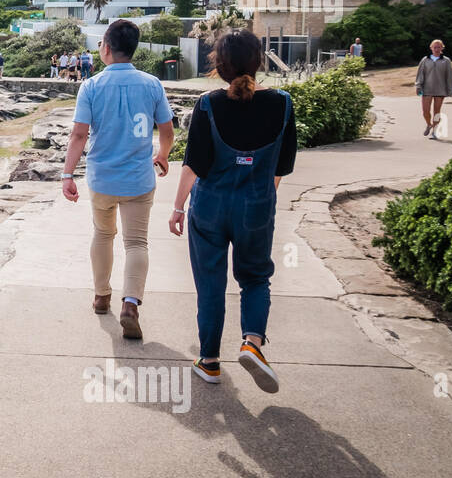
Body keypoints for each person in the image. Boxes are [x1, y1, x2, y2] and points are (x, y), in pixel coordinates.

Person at [168, 29, 298, 392]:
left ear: (219, 66)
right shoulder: (283, 103)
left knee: (210, 283)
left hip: (210, 205)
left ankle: (209, 362)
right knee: (255, 278)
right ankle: (251, 343)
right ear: (258, 61)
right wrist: (260, 201)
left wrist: (177, 207)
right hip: (255, 205)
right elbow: (281, 166)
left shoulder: (209, 103)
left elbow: (193, 164)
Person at [61, 19, 173, 339]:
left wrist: (68, 174)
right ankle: (131, 304)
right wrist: (162, 155)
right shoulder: (152, 84)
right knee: (137, 242)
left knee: (103, 234)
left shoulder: (92, 86)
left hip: (102, 179)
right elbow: (166, 131)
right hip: (138, 179)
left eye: (100, 44)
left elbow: (79, 134)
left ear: (107, 48)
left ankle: (101, 296)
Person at [415, 39, 452, 139]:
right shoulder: (425, 59)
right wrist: (418, 86)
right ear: (431, 48)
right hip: (426, 89)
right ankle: (429, 124)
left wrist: (450, 90)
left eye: (439, 47)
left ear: (442, 48)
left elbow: (449, 76)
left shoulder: (446, 60)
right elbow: (420, 74)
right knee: (425, 111)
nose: (437, 49)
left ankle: (435, 131)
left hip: (440, 90)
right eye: (435, 47)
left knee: (437, 112)